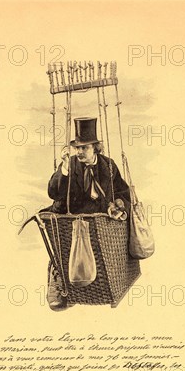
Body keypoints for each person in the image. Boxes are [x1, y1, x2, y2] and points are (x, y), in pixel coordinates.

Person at [46, 117, 130, 310]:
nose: (80, 152)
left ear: (95, 148)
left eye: (84, 148)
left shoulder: (108, 165)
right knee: (65, 247)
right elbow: (53, 193)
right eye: (77, 148)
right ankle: (59, 282)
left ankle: (105, 286)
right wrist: (64, 169)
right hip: (73, 215)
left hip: (99, 217)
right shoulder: (71, 164)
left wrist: (118, 203)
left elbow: (124, 192)